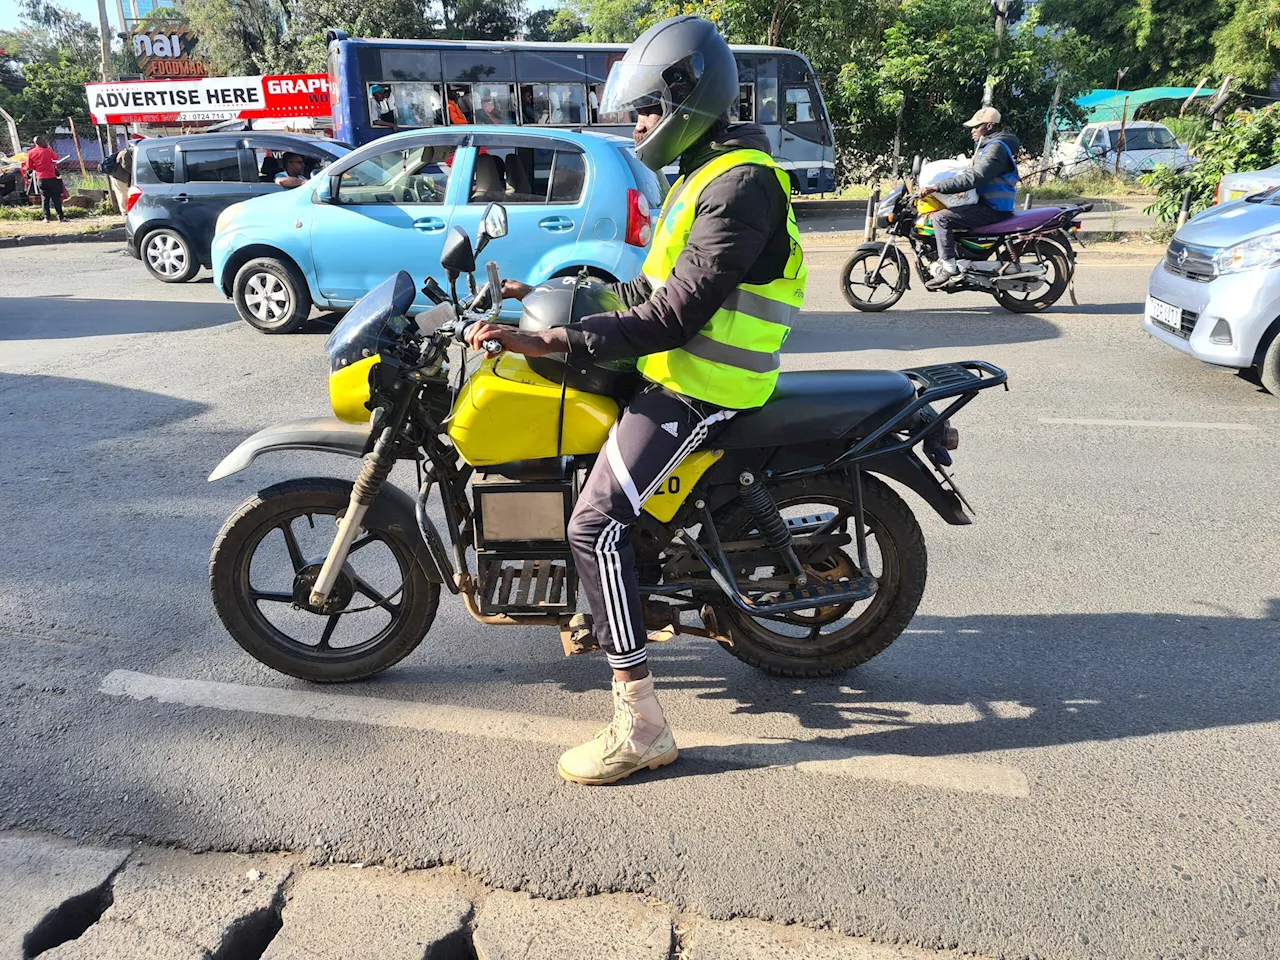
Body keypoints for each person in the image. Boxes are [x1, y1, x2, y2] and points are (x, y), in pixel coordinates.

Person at [464, 15, 807, 786]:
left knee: (594, 526)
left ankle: (642, 722)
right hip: (676, 372)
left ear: (687, 98)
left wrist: (548, 342)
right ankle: (603, 607)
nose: (639, 125)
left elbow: (672, 318)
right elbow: (649, 287)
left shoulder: (739, 187)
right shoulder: (701, 174)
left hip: (705, 386)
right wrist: (545, 293)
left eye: (646, 110)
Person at [918, 106, 1020, 288]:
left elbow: (975, 177)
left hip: (994, 208)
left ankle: (950, 269)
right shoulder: (989, 146)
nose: (972, 130)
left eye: (976, 126)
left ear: (989, 126)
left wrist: (937, 187)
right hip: (987, 204)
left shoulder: (996, 149)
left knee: (941, 218)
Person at [23, 136, 66, 223]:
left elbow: (30, 166)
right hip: (51, 177)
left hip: (41, 178)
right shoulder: (48, 151)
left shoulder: (31, 152)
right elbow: (56, 158)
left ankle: (46, 218)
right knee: (56, 198)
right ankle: (61, 217)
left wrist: (38, 169)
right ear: (42, 142)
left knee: (45, 198)